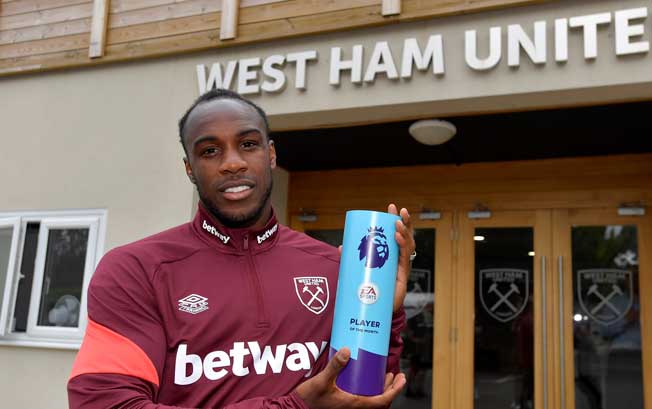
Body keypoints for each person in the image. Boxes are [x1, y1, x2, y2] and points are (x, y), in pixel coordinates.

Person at [67, 88, 416, 408]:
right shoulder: (135, 270)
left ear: (271, 154)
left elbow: (356, 397)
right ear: (190, 169)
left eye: (248, 144)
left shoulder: (330, 266)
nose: (232, 162)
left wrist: (382, 313)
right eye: (209, 151)